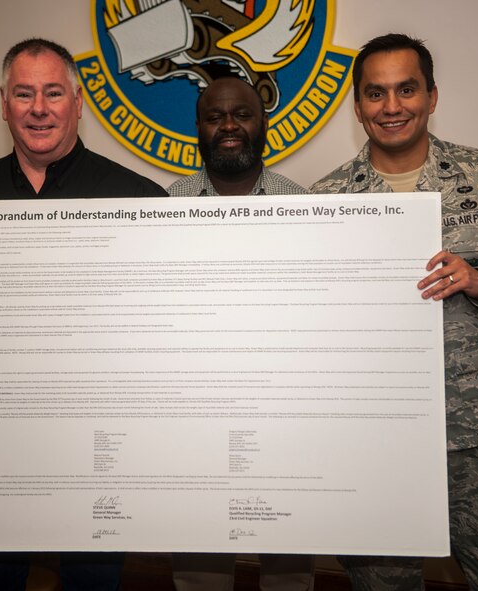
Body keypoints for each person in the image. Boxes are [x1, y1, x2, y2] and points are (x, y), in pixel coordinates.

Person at [310, 33, 478, 590]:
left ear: (432, 96)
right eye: (375, 94)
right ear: (357, 107)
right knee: (381, 579)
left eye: (407, 89)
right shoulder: (327, 199)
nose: (392, 106)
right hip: (375, 434)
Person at [0, 38, 166, 591]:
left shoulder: (136, 197)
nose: (39, 108)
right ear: (2, 105)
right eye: (24, 94)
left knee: (92, 574)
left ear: (78, 102)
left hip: (99, 434)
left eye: (53, 93)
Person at [168, 75, 316, 591]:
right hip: (197, 409)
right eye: (215, 117)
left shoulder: (305, 207)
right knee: (198, 562)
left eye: (243, 114)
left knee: (289, 562)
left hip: (283, 406)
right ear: (198, 129)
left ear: (264, 123)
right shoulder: (167, 206)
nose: (229, 125)